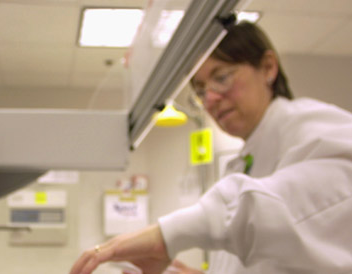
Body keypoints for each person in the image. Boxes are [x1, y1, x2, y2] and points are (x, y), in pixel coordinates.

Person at [69, 21, 352, 274]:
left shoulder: (315, 127)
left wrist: (167, 236)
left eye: (221, 77)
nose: (212, 98)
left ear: (268, 67)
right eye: (201, 90)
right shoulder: (243, 160)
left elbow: (269, 210)